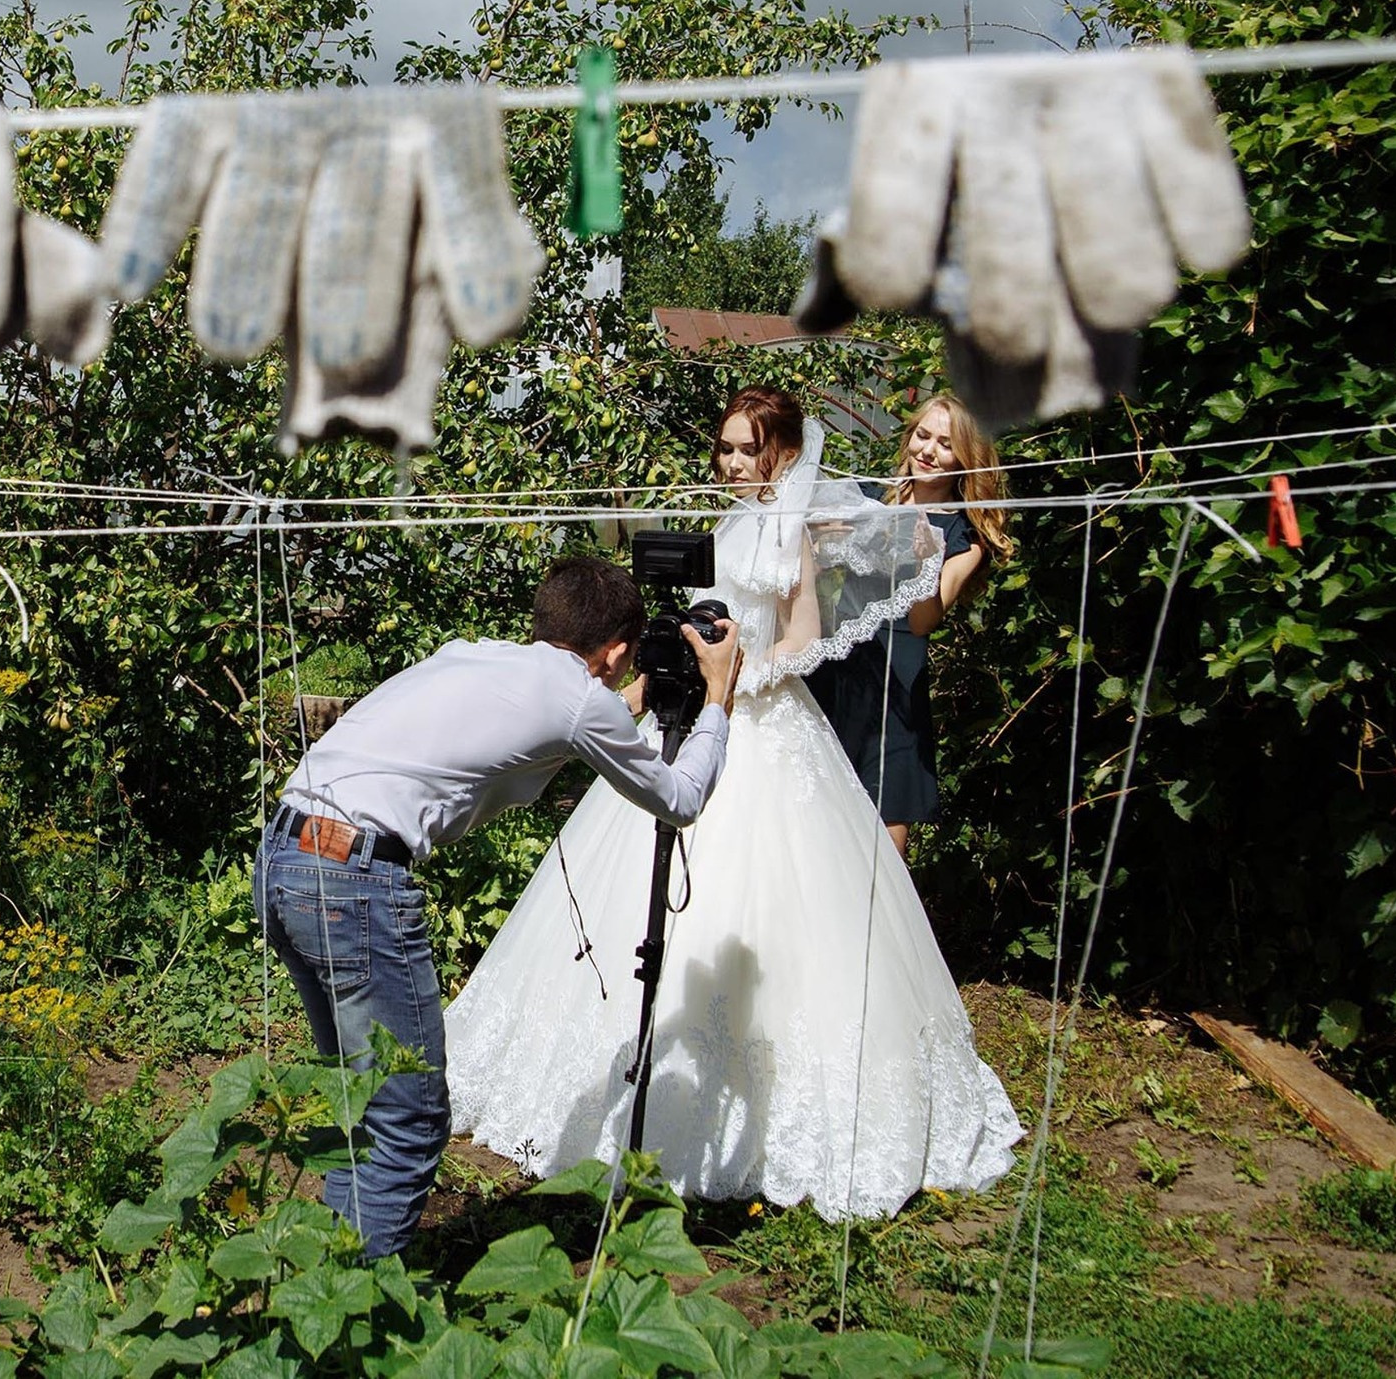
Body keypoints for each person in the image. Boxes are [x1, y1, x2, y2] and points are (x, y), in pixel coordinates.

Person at [444, 386, 1021, 1220]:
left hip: (764, 723)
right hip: (702, 717)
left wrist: (743, 676)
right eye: (724, 449)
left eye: (749, 450)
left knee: (783, 906)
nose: (733, 463)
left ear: (782, 452)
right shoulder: (731, 521)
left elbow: (802, 635)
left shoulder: (794, 530)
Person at [256, 555, 743, 1258]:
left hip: (284, 854)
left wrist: (630, 698)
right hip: (352, 881)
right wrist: (720, 698)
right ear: (612, 652)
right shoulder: (579, 698)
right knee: (409, 1116)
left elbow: (557, 719)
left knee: (358, 1099)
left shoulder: (479, 657)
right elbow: (680, 798)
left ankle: (322, 1275)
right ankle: (355, 1320)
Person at [808, 393, 1012, 856]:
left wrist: (921, 562)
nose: (928, 451)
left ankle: (881, 923)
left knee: (886, 823)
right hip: (839, 661)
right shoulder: (866, 499)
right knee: (817, 807)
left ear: (965, 457)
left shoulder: (966, 535)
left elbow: (923, 621)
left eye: (945, 443)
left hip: (896, 684)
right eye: (923, 436)